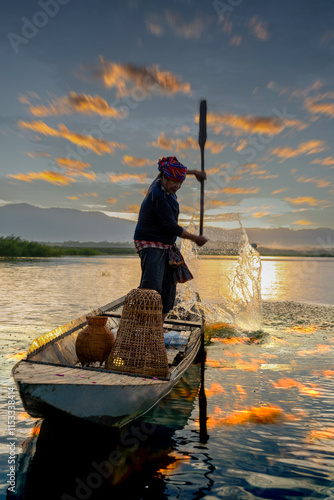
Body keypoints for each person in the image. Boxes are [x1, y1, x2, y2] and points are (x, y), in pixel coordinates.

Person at [134, 156, 208, 323]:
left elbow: (178, 172)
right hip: (150, 242)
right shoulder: (157, 195)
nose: (177, 186)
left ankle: (158, 327)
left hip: (166, 245)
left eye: (180, 183)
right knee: (152, 288)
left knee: (169, 287)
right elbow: (171, 227)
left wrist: (194, 172)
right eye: (174, 182)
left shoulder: (165, 182)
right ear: (164, 178)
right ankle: (144, 326)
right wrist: (195, 238)